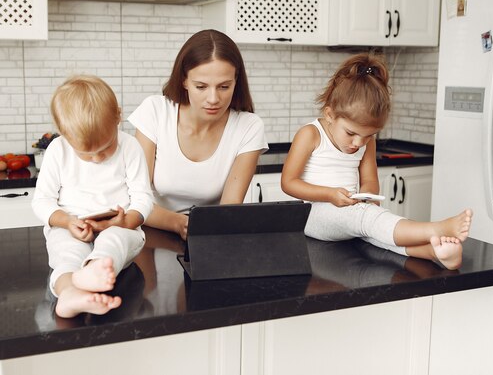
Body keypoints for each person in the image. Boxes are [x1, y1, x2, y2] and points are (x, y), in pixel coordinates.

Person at [280, 53, 473, 270]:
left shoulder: (365, 142)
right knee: (366, 220)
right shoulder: (310, 134)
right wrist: (330, 195)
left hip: (351, 213)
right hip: (312, 215)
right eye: (351, 133)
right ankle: (436, 229)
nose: (358, 142)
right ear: (330, 114)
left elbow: (370, 180)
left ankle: (435, 252)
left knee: (376, 232)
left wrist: (369, 200)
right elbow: (288, 183)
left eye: (369, 135)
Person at [32, 75, 153, 318]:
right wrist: (67, 222)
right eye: (86, 154)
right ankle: (69, 293)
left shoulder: (131, 147)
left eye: (106, 147)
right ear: (64, 133)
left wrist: (125, 221)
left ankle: (93, 270)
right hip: (71, 227)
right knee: (66, 253)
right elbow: (42, 201)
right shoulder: (57, 150)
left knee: (115, 240)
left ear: (118, 116)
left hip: (120, 226)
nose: (97, 158)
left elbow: (143, 197)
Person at [128, 29, 268, 240]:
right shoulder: (155, 111)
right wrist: (179, 223)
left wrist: (195, 227)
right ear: (184, 80)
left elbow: (227, 211)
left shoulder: (249, 126)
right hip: (148, 235)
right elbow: (138, 199)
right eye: (201, 86)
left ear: (236, 81)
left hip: (210, 236)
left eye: (224, 86)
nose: (213, 98)